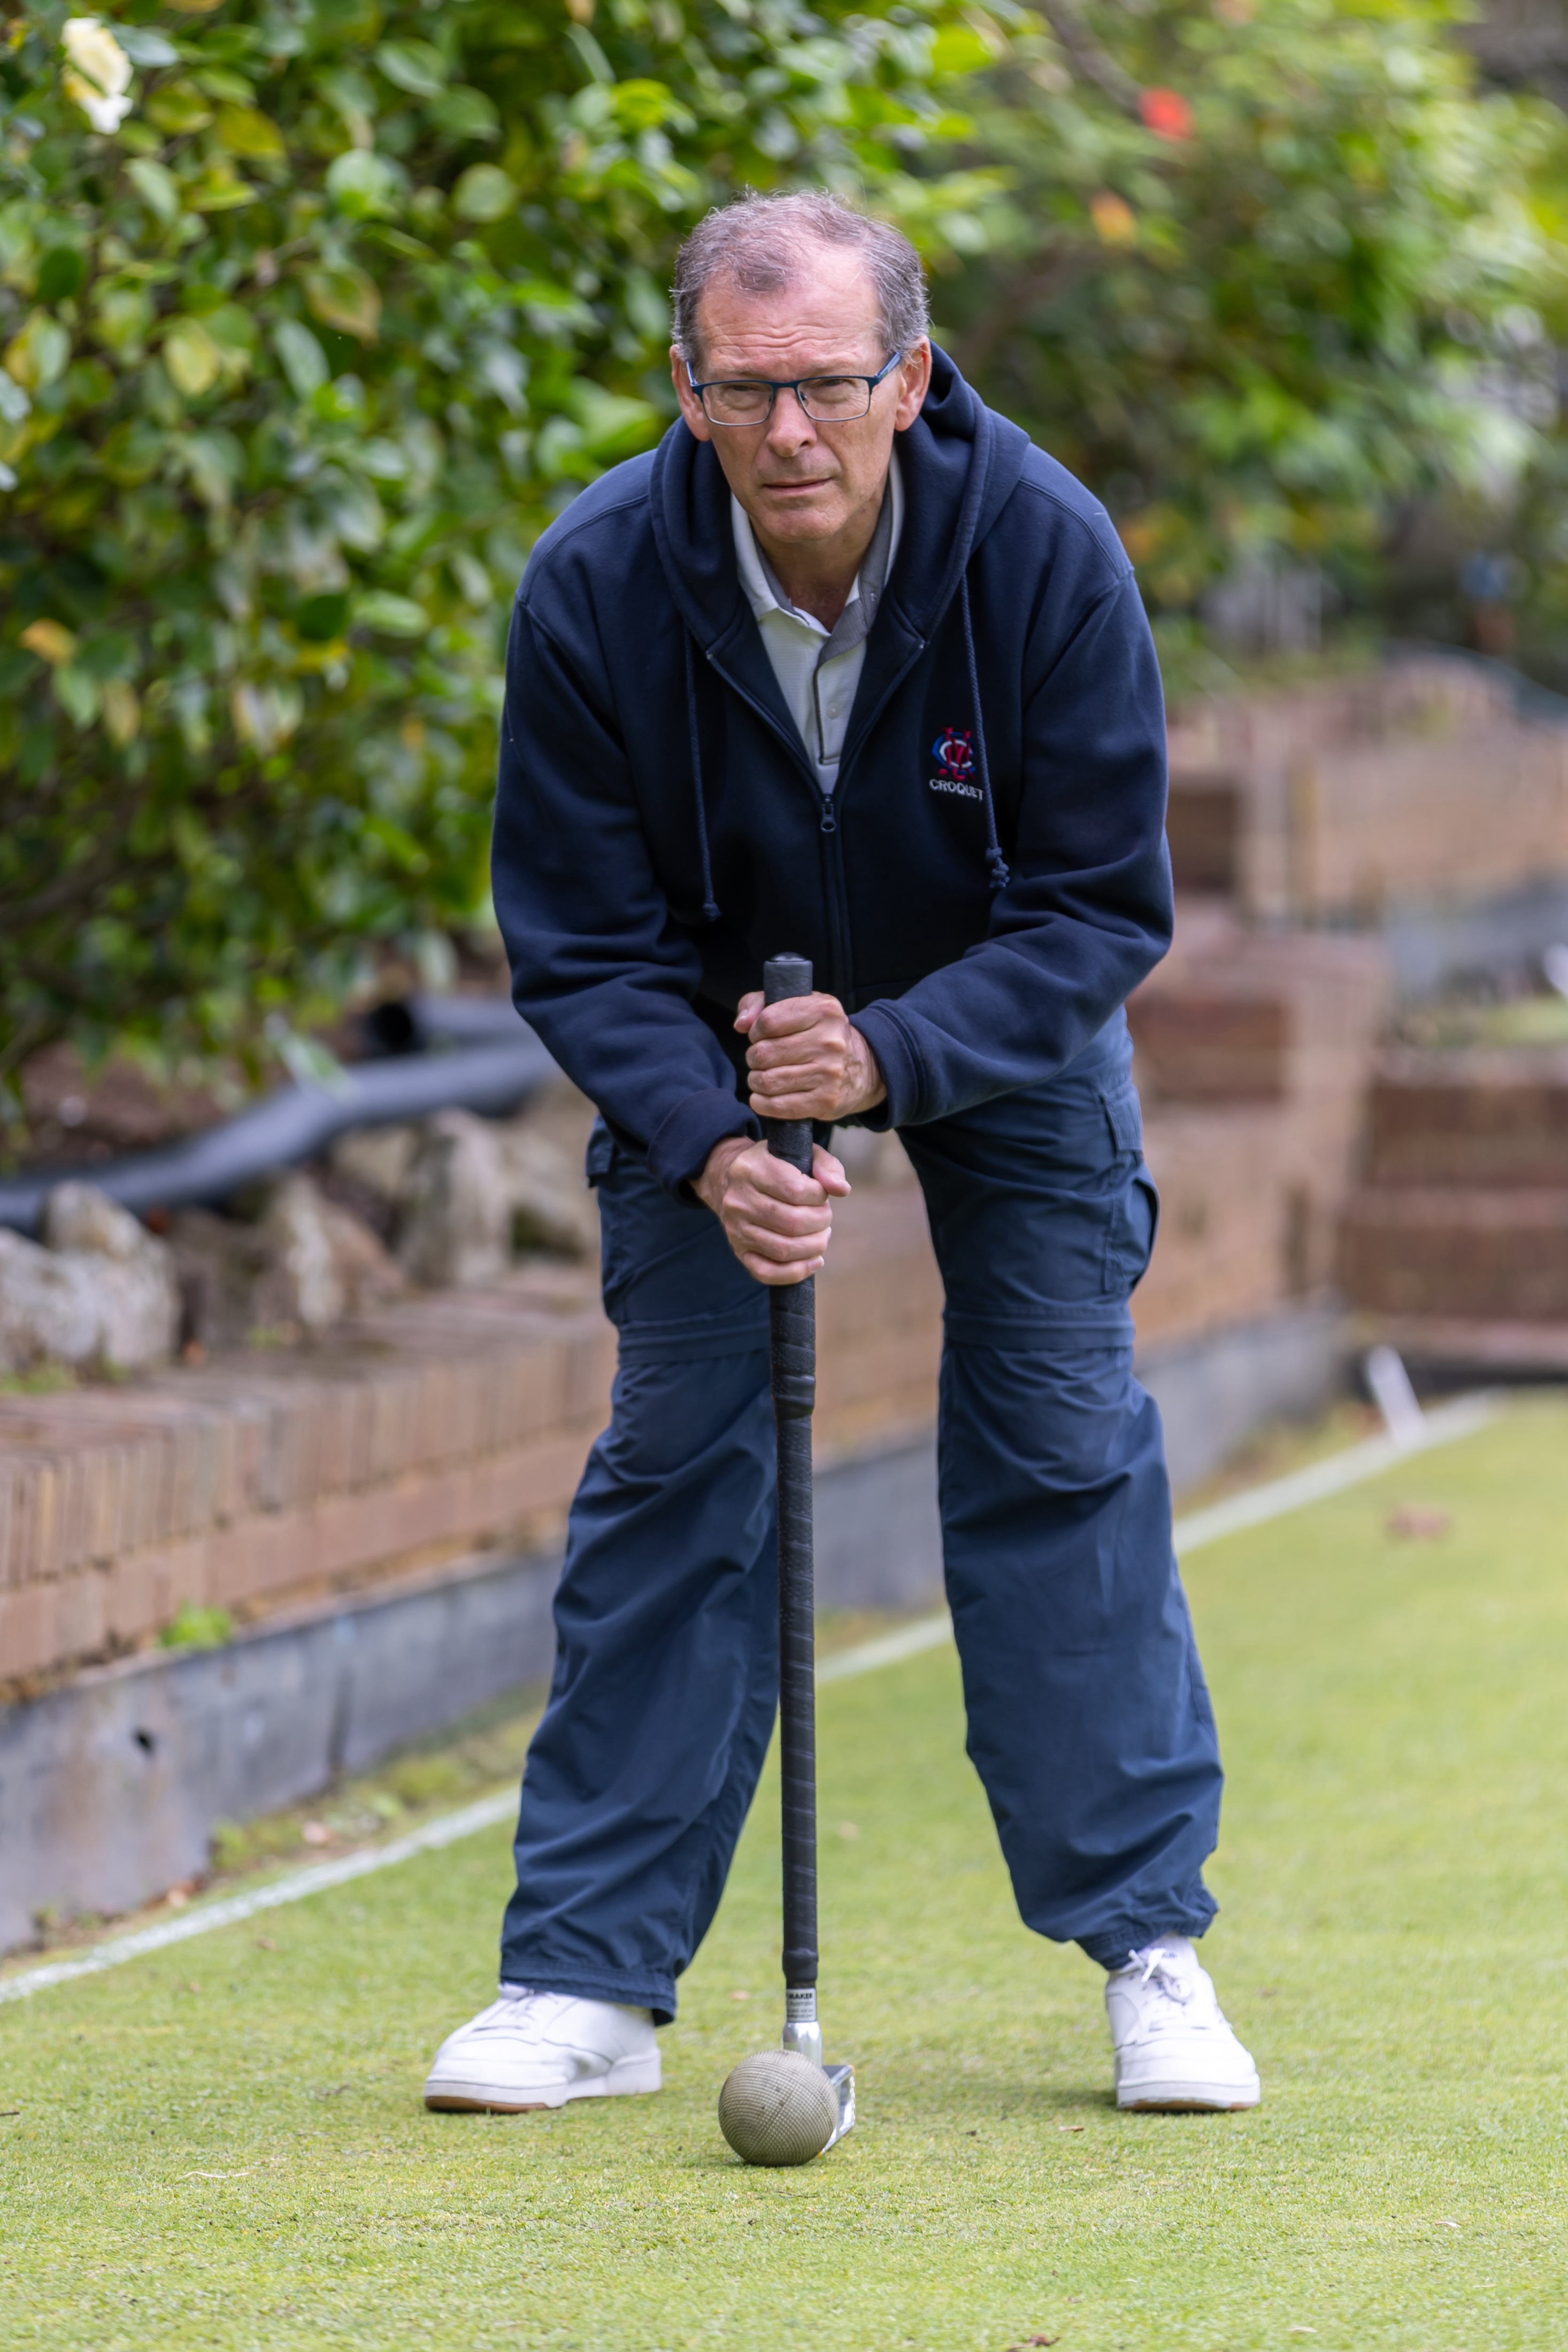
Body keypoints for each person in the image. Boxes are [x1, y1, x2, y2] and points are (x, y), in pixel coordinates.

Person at [423, 190, 1259, 2118]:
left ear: (909, 374)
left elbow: (1099, 910)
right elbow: (577, 937)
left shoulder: (1040, 553)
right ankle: (585, 1983)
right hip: (712, 1052)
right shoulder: (598, 582)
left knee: (1056, 1440)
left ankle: (1146, 1944)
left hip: (1001, 1025)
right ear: (684, 387)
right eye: (743, 388)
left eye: (824, 385)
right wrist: (715, 1136)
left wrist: (885, 1058)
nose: (788, 433)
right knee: (677, 1460)